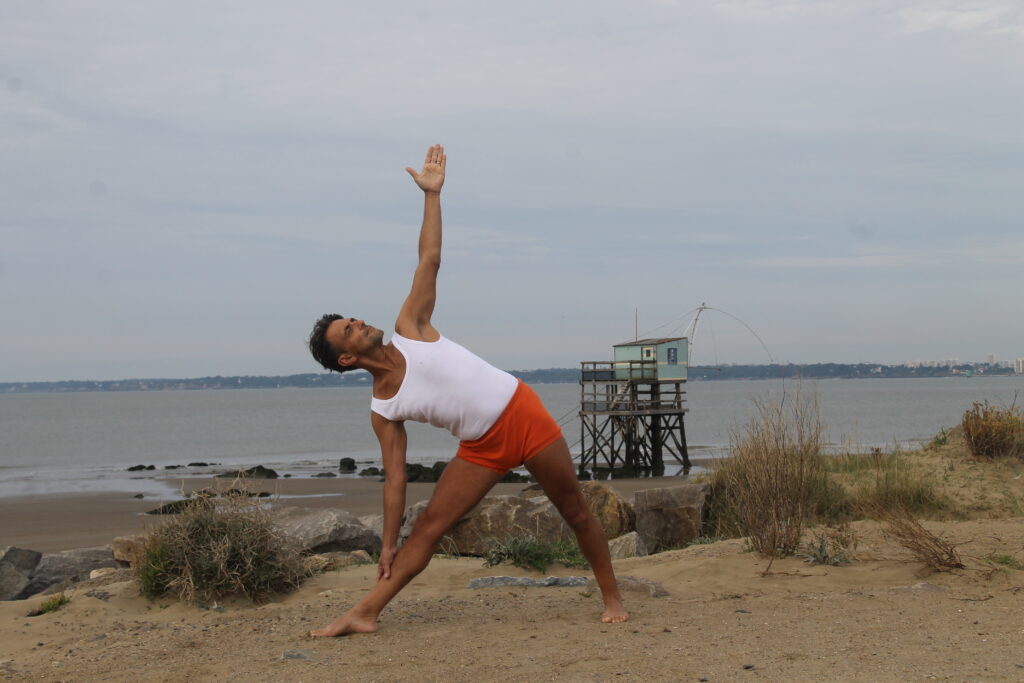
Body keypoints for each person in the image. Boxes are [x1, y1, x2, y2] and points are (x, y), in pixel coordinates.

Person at [306, 145, 628, 637]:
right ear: (345, 359)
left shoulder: (410, 326)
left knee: (576, 510)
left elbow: (429, 258)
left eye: (352, 319)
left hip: (522, 413)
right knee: (430, 528)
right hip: (480, 447)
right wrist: (387, 541)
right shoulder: (383, 407)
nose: (360, 323)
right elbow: (395, 481)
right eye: (349, 330)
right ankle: (365, 612)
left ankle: (611, 595)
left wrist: (432, 196)